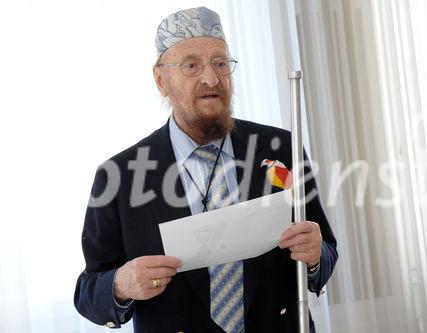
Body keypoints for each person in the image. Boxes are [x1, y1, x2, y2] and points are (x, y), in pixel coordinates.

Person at [74, 6, 338, 333]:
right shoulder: (119, 175)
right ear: (160, 80)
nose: (211, 78)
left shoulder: (281, 147)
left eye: (220, 63)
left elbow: (324, 252)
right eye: (191, 65)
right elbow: (88, 291)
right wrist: (121, 284)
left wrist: (316, 257)